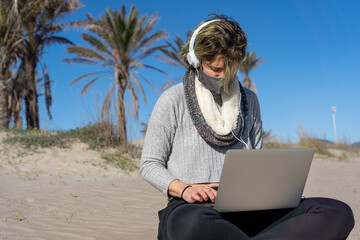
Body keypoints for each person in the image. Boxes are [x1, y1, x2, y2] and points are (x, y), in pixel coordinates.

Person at [140, 14, 354, 240]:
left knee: (336, 211)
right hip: (194, 206)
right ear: (196, 59)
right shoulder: (172, 99)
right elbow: (150, 164)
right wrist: (184, 189)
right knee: (190, 225)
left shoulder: (249, 100)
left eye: (229, 69)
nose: (222, 76)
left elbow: (255, 160)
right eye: (215, 69)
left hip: (248, 205)